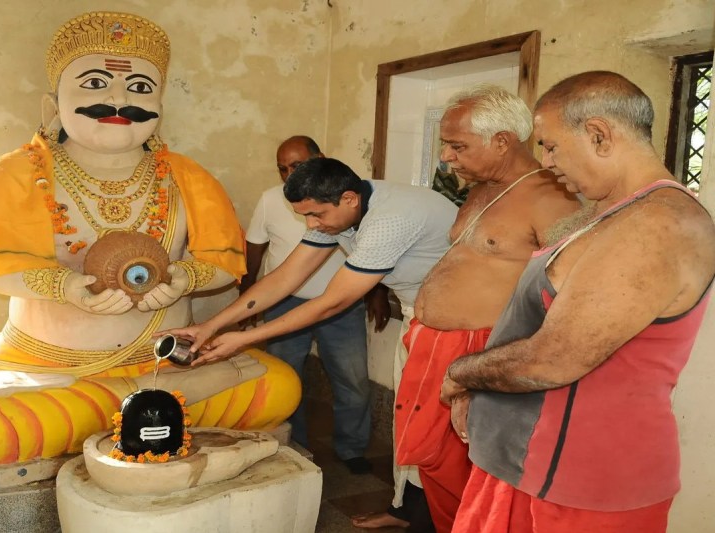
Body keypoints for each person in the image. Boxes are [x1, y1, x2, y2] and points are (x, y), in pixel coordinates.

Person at [0, 11, 300, 467]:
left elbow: (222, 261)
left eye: (140, 89)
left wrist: (184, 279)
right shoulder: (11, 174)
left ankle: (111, 409)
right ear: (52, 106)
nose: (120, 100)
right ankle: (141, 407)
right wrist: (61, 286)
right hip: (46, 362)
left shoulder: (187, 177)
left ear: (159, 106)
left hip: (162, 358)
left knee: (280, 388)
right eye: (96, 84)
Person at [442, 71, 715, 532]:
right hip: (531, 468)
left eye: (550, 145)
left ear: (599, 135)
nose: (546, 162)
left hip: (580, 485)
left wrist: (459, 373)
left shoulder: (658, 225)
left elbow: (552, 360)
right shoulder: (612, 213)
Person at [352, 85, 580, 532]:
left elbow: (567, 296)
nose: (448, 158)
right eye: (445, 145)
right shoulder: (484, 189)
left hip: (484, 349)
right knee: (435, 462)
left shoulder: (550, 198)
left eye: (458, 146)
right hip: (436, 346)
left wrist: (500, 367)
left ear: (501, 141)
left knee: (475, 470)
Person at [164, 157, 459, 469]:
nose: (311, 225)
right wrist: (211, 326)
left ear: (348, 198)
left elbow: (332, 302)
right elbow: (285, 277)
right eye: (304, 216)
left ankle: (428, 511)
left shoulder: (389, 219)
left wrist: (244, 339)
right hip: (423, 316)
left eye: (316, 215)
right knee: (416, 417)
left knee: (433, 422)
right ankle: (405, 506)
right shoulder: (341, 210)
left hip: (456, 323)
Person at [242, 135, 391, 473]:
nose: (287, 174)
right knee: (285, 380)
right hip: (284, 304)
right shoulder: (271, 200)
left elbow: (374, 251)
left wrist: (378, 292)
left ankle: (352, 449)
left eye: (296, 165)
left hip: (339, 306)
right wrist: (247, 292)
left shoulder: (346, 203)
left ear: (319, 159)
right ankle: (295, 447)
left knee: (352, 380)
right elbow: (254, 246)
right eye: (282, 168)